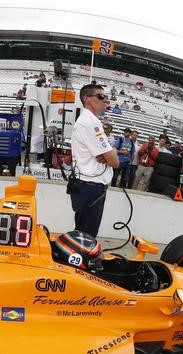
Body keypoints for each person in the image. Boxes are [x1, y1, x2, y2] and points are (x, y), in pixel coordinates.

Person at [68, 83, 119, 238]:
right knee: (86, 236)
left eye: (106, 97)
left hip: (86, 185)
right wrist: (112, 152)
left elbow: (110, 156)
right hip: (91, 187)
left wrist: (110, 152)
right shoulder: (91, 123)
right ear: (87, 99)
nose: (105, 101)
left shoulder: (88, 121)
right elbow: (114, 162)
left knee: (83, 232)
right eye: (101, 96)